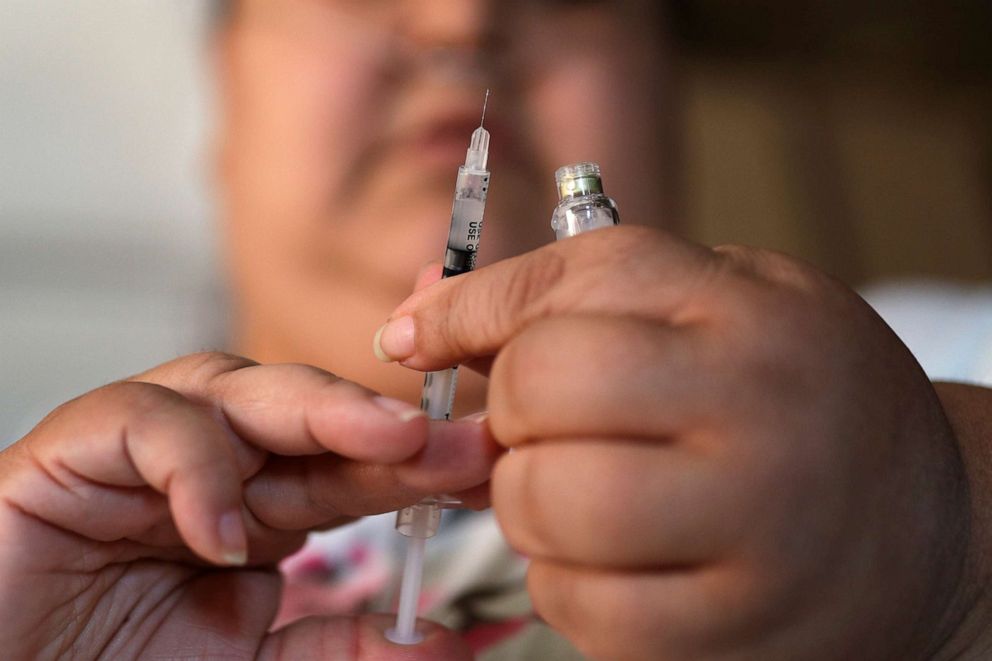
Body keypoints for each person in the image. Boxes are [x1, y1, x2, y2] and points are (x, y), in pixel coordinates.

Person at [2, 1, 991, 659]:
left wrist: (944, 530)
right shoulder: (69, 532)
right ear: (223, 96)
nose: (463, 16)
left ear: (668, 92)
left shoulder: (916, 371)